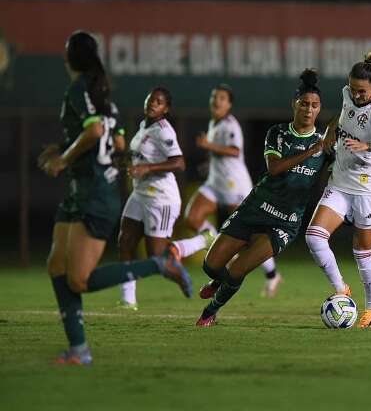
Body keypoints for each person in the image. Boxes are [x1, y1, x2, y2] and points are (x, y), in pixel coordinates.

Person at [38, 31, 193, 365]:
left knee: (77, 279)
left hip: (95, 194)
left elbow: (94, 132)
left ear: (69, 58)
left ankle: (160, 263)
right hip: (84, 191)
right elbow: (118, 145)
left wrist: (63, 159)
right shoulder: (105, 98)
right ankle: (79, 349)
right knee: (56, 266)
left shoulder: (80, 90)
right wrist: (67, 150)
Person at [196, 69, 327, 326]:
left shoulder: (325, 144)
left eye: (314, 105)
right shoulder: (278, 133)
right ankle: (216, 279)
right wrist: (311, 151)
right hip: (255, 208)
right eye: (304, 104)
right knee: (211, 266)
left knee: (237, 269)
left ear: (320, 108)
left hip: (285, 222)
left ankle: (210, 312)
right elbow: (274, 168)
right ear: (294, 104)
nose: (309, 110)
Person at [305, 52, 371, 329]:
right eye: (353, 89)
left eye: (362, 91)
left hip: (369, 189)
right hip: (341, 182)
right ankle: (341, 288)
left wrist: (366, 146)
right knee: (314, 237)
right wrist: (331, 131)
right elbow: (342, 116)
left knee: (362, 252)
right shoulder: (347, 94)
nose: (356, 95)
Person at [117, 86, 213, 310]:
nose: (152, 103)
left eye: (158, 102)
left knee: (157, 258)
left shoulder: (164, 130)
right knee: (125, 241)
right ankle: (128, 300)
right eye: (150, 99)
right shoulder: (143, 127)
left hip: (161, 197)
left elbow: (179, 162)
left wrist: (147, 168)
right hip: (140, 193)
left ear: (166, 109)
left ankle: (203, 240)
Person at [184, 84, 283, 297]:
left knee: (249, 234)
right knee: (192, 217)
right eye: (214, 97)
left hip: (234, 185)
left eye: (221, 98)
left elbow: (234, 150)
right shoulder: (214, 123)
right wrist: (209, 163)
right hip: (215, 182)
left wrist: (208, 146)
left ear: (229, 104)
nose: (216, 101)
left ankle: (273, 274)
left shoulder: (231, 125)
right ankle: (214, 242)